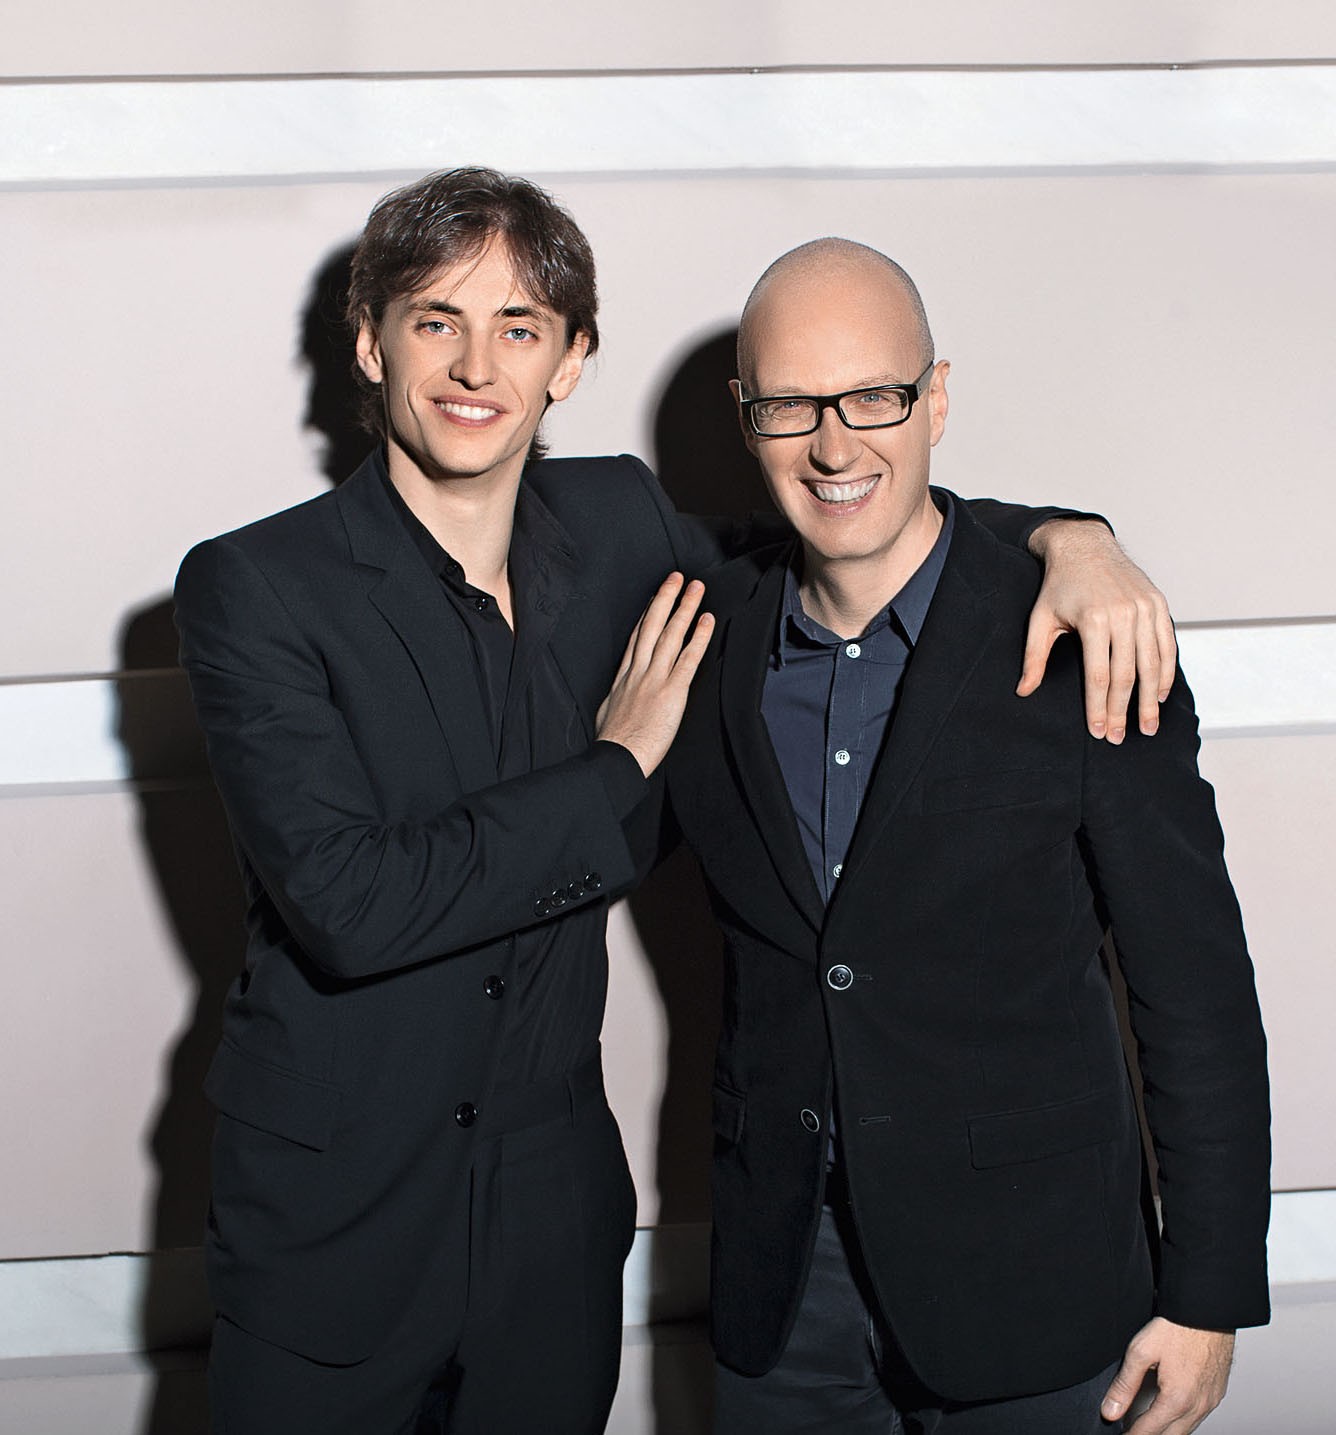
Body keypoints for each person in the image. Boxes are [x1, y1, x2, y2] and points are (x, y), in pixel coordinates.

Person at [173, 168, 1178, 1435]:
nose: (475, 365)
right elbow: (348, 904)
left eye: (519, 327)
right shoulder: (251, 586)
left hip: (552, 1243)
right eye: (436, 320)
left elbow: (856, 512)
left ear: (571, 362)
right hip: (331, 1230)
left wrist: (1070, 536)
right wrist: (615, 765)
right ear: (371, 345)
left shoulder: (622, 527)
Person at [656, 238, 1271, 1434]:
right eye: (791, 405)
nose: (834, 445)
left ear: (934, 398)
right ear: (746, 418)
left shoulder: (1086, 639)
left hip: (1038, 1288)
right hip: (783, 1296)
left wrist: (1206, 1293)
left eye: (874, 397)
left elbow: (1192, 989)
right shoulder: (703, 630)